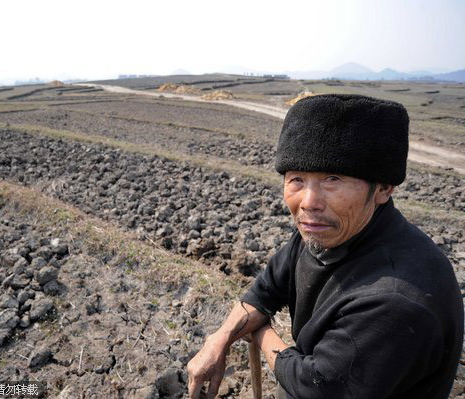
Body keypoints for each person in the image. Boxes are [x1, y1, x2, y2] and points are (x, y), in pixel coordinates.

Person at [187, 94, 464, 399]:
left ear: (383, 188)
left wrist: (262, 332)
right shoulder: (324, 232)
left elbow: (316, 383)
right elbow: (266, 289)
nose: (308, 203)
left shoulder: (394, 301)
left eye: (333, 179)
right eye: (296, 179)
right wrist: (220, 338)